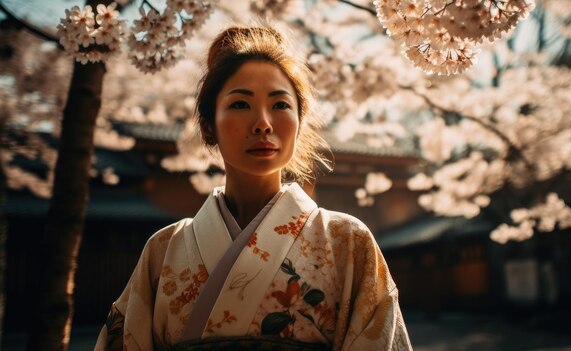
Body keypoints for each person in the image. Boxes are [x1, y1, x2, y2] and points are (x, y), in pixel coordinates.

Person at [95, 24, 412, 351]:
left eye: (280, 105)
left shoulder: (347, 241)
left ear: (300, 122)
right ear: (208, 126)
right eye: (240, 104)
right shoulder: (163, 251)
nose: (263, 122)